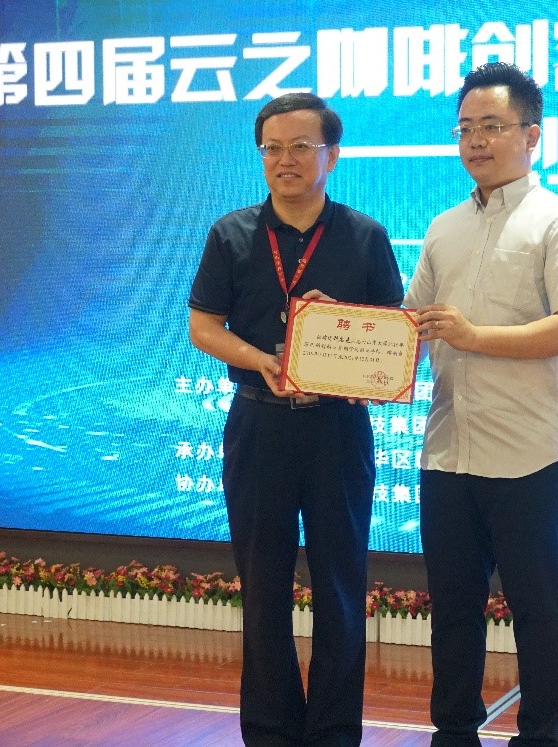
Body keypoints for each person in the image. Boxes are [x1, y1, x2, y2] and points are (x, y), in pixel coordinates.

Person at [187, 92, 403, 747]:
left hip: (337, 430)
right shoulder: (231, 234)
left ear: (331, 155)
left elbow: (393, 335)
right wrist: (262, 361)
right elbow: (203, 326)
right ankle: (270, 730)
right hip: (259, 425)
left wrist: (348, 341)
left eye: (301, 146)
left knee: (340, 583)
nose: (285, 160)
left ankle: (334, 731)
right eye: (272, 148)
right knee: (263, 586)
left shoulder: (364, 236)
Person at [403, 63, 558, 747]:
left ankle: (537, 736)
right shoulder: (444, 227)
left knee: (537, 608)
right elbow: (409, 326)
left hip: (530, 454)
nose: (475, 141)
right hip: (447, 451)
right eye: (465, 129)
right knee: (453, 608)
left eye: (491, 126)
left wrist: (472, 336)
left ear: (531, 135)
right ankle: (453, 731)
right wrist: (336, 338)